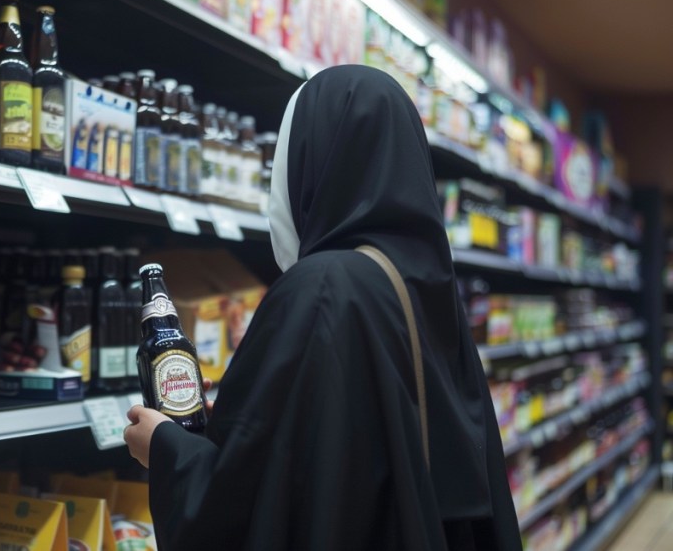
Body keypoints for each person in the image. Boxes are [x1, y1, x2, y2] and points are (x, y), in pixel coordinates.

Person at [124, 65, 522, 550]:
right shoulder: (426, 282)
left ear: (313, 163)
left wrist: (166, 448)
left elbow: (243, 508)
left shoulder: (323, 287)